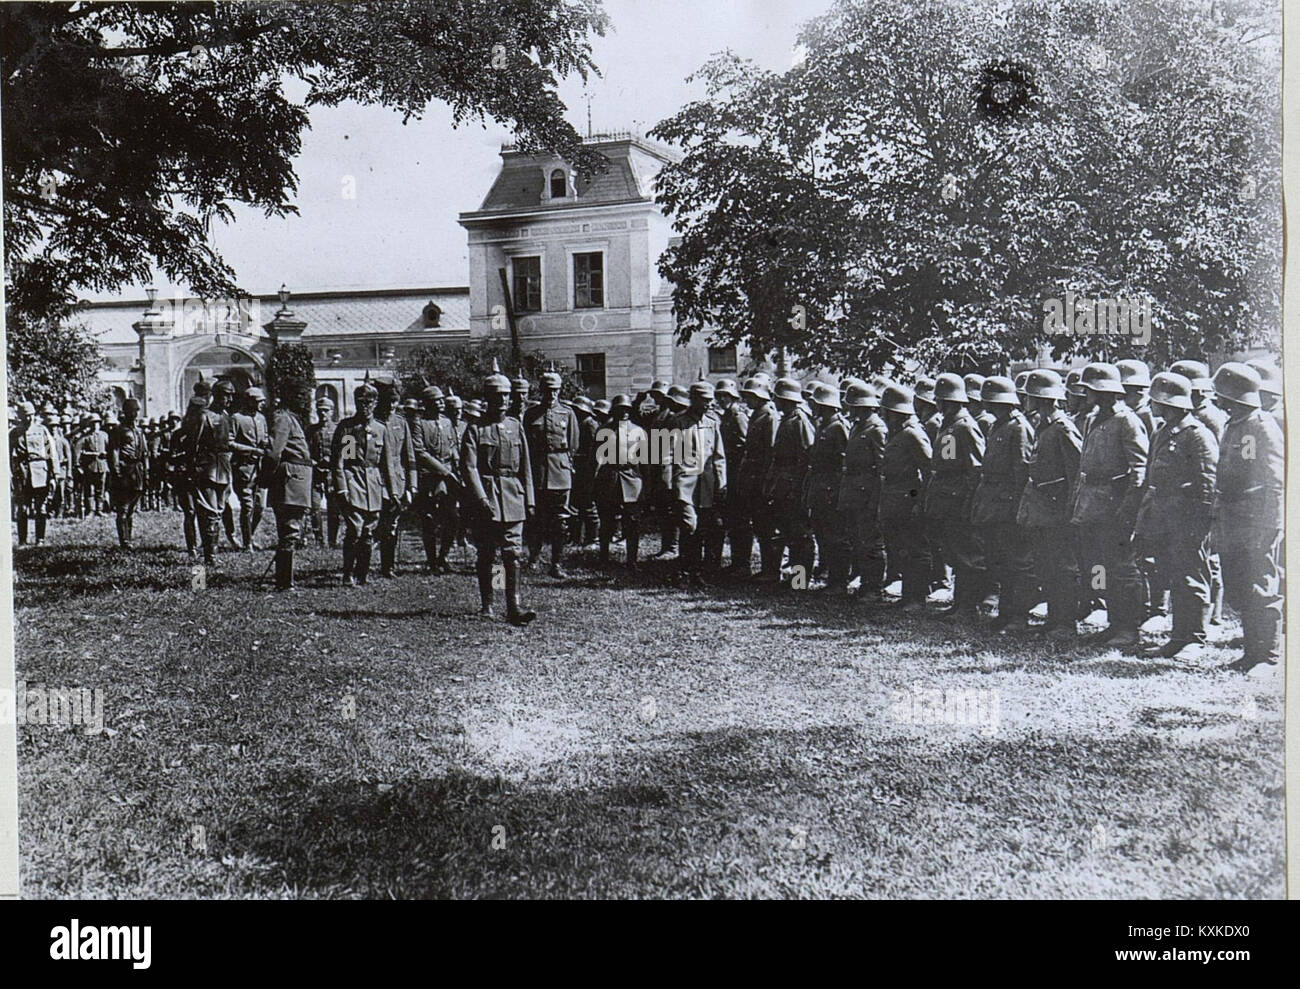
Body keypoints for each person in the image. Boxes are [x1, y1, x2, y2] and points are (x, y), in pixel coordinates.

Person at [1133, 372, 1218, 659]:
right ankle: (1177, 637)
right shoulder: (1163, 432)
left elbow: (1207, 483)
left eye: (1155, 400)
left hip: (1189, 520)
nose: (1152, 404)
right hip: (1164, 519)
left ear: (1168, 402)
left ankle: (1194, 638)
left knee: (1192, 577)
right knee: (1174, 577)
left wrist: (1200, 524)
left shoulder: (1197, 435)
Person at [1069, 363, 1149, 649]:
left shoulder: (1126, 421)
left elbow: (1139, 469)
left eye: (1090, 390)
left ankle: (1128, 628)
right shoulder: (1093, 418)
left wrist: (1127, 511)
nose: (1085, 394)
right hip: (1091, 504)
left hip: (1114, 505)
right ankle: (1113, 623)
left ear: (1104, 392)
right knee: (1097, 566)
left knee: (1121, 570)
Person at [1211, 363, 1284, 673]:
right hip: (1232, 517)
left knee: (1261, 586)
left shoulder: (1261, 426)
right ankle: (1250, 651)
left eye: (1222, 396)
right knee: (1240, 585)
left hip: (1255, 519)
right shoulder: (1234, 425)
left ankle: (1267, 656)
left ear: (1235, 397)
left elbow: (1275, 481)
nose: (1219, 402)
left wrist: (1271, 524)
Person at [461, 365, 536, 625]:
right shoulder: (475, 429)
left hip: (513, 496)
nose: (502, 400)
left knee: (512, 554)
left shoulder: (516, 426)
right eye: (497, 396)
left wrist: (530, 499)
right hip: (488, 498)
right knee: (489, 553)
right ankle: (488, 603)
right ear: (487, 399)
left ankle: (513, 605)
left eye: (506, 395)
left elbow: (525, 465)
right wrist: (481, 498)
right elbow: (469, 467)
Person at [1016, 370, 1083, 638]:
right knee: (1045, 565)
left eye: (1030, 396)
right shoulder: (1044, 427)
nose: (1026, 401)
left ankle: (1065, 623)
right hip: (1041, 508)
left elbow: (1076, 471)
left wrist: (1069, 508)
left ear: (1041, 399)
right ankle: (1054, 620)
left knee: (1062, 567)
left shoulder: (1062, 428)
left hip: (1057, 509)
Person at [970, 377, 1034, 630]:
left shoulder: (1018, 427)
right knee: (999, 560)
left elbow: (1022, 470)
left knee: (1016, 563)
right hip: (993, 503)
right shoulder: (998, 426)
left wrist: (1019, 507)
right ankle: (1005, 613)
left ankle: (1018, 615)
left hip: (1009, 504)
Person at [926, 373, 986, 617]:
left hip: (959, 499)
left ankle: (968, 605)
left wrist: (969, 502)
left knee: (966, 555)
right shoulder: (950, 425)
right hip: (946, 498)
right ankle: (960, 603)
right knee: (954, 552)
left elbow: (975, 468)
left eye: (940, 400)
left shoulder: (964, 427)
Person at [878, 384, 933, 610]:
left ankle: (917, 598)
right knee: (901, 548)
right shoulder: (899, 431)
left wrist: (919, 502)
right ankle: (907, 595)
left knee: (916, 549)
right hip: (895, 497)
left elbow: (928, 469)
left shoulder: (912, 433)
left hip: (909, 497)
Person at [523, 371, 580, 578]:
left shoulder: (567, 413)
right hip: (538, 471)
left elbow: (573, 444)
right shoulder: (531, 414)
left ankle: (556, 563)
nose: (552, 394)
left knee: (560, 521)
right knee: (536, 517)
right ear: (541, 391)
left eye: (555, 390)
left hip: (560, 471)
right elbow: (526, 445)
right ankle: (534, 559)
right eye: (548, 390)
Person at [331, 382, 389, 585]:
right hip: (354, 482)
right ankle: (347, 574)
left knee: (369, 532)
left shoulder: (381, 429)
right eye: (361, 402)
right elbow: (341, 461)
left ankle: (362, 575)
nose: (365, 406)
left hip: (374, 485)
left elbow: (386, 463)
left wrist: (391, 491)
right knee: (355, 530)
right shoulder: (348, 428)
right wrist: (342, 487)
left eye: (369, 402)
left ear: (375, 403)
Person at [671, 379, 727, 587]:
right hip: (685, 485)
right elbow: (667, 455)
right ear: (693, 400)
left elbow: (718, 456)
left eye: (710, 401)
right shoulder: (678, 422)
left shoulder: (712, 422)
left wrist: (721, 483)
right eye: (704, 400)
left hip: (707, 486)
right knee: (689, 526)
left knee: (703, 528)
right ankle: (685, 571)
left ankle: (696, 573)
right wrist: (671, 484)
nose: (708, 405)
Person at [262, 380, 315, 591]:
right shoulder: (283, 418)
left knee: (291, 531)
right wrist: (267, 477)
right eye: (300, 395)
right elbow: (275, 452)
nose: (304, 399)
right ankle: (284, 583)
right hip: (291, 479)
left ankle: (285, 580)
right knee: (289, 530)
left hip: (296, 478)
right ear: (289, 397)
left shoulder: (290, 418)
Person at [763, 377, 816, 588]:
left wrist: (798, 487)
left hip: (794, 484)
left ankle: (800, 581)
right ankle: (795, 578)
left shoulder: (799, 421)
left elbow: (806, 457)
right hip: (783, 484)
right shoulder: (788, 419)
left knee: (800, 536)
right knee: (790, 533)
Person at [839, 381, 888, 602]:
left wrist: (875, 500)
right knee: (859, 540)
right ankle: (865, 584)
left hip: (868, 493)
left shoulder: (876, 429)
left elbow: (881, 467)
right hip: (854, 493)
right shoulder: (858, 426)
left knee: (871, 543)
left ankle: (873, 588)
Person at [411, 385, 461, 573]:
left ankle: (443, 557)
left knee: (453, 518)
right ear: (428, 404)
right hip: (429, 477)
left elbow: (453, 445)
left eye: (441, 400)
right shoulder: (419, 423)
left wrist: (456, 465)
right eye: (436, 401)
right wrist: (443, 471)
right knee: (429, 520)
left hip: (449, 477)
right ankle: (432, 561)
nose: (441, 404)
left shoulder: (447, 422)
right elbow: (420, 452)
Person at [806, 382, 851, 593]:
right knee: (824, 535)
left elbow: (844, 463)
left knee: (835, 537)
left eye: (816, 403)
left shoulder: (838, 426)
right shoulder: (823, 425)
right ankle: (830, 577)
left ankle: (838, 582)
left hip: (831, 489)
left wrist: (837, 490)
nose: (812, 406)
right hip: (820, 488)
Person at [594, 394, 647, 569]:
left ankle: (632, 560)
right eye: (620, 410)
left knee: (632, 521)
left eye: (627, 410)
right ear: (613, 411)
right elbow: (595, 457)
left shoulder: (639, 431)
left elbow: (646, 459)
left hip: (632, 477)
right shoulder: (604, 430)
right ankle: (603, 558)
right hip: (609, 478)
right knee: (607, 520)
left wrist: (646, 483)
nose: (624, 413)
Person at [374, 380, 417, 578]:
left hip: (398, 483)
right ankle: (359, 567)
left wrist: (412, 486)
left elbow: (409, 458)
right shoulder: (370, 422)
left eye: (394, 402)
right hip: (376, 482)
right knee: (372, 525)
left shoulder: (401, 423)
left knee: (391, 525)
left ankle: (387, 567)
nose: (391, 406)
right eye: (388, 401)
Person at [10, 401, 60, 546]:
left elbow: (52, 452)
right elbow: (7, 455)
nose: (29, 419)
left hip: (41, 472)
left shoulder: (42, 430)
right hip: (23, 473)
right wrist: (11, 475)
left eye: (31, 415)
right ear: (20, 416)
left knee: (41, 507)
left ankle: (40, 539)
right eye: (26, 416)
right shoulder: (14, 433)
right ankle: (23, 540)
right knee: (23, 509)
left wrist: (55, 474)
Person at [106, 397, 149, 549]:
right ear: (126, 412)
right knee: (123, 507)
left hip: (137, 471)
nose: (135, 414)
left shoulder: (139, 431)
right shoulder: (118, 431)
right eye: (132, 411)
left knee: (132, 508)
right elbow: (114, 451)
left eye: (137, 411)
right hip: (124, 471)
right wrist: (116, 470)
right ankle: (124, 541)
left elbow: (144, 453)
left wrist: (146, 472)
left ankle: (128, 538)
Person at [229, 388, 267, 550]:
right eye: (258, 401)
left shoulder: (261, 418)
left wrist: (265, 444)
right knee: (247, 506)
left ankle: (250, 535)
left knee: (260, 507)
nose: (261, 404)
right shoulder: (236, 418)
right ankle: (247, 542)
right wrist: (251, 450)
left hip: (260, 470)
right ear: (249, 401)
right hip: (243, 469)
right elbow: (230, 442)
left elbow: (264, 437)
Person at [568, 395, 602, 549]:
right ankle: (577, 537)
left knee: (588, 505)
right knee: (576, 505)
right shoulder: (580, 423)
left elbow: (595, 452)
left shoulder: (590, 425)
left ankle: (593, 538)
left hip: (588, 470)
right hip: (579, 469)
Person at [309, 396, 340, 548]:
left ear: (332, 412)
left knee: (334, 509)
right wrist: (313, 463)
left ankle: (332, 541)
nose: (323, 414)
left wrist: (333, 461)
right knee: (315, 508)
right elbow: (305, 452)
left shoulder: (341, 429)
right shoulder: (310, 430)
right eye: (320, 411)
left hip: (333, 475)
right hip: (315, 475)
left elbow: (349, 454)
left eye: (326, 411)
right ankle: (319, 541)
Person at [77, 411, 108, 516]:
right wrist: (91, 454)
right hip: (90, 466)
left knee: (101, 488)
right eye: (93, 423)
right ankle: (90, 510)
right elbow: (79, 453)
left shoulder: (104, 436)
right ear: (90, 424)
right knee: (89, 489)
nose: (95, 425)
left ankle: (99, 509)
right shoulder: (85, 437)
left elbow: (111, 449)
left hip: (102, 466)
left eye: (97, 423)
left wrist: (105, 454)